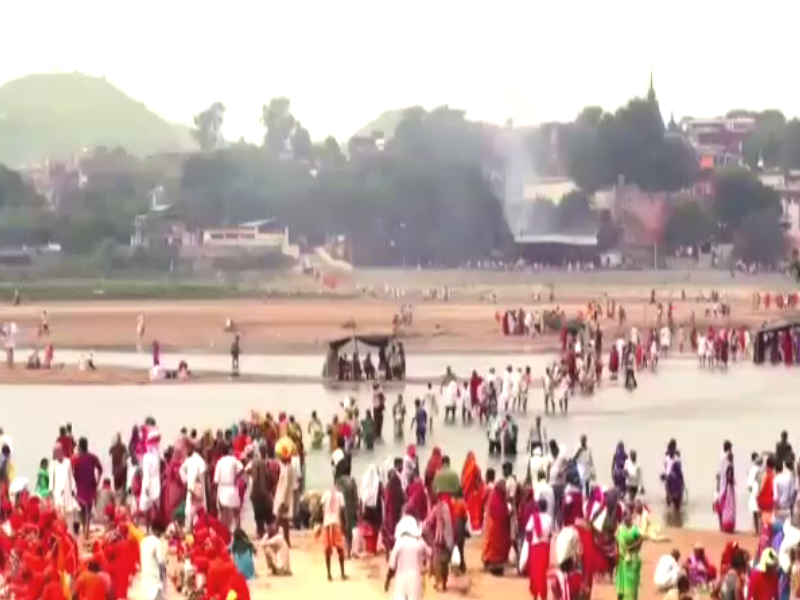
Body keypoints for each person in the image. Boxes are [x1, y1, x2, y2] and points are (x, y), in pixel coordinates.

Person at [385, 515, 431, 600]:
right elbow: (431, 554)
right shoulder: (420, 541)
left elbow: (392, 566)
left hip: (401, 580)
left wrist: (387, 580)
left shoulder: (399, 543)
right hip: (416, 580)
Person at [521, 498, 552, 600]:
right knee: (542, 573)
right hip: (545, 547)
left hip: (535, 547)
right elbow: (550, 534)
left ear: (538, 507)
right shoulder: (549, 518)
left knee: (534, 572)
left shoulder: (534, 517)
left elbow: (528, 530)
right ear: (546, 507)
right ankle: (543, 596)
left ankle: (535, 595)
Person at [73, 437, 103, 538]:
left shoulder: (77, 460)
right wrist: (98, 481)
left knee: (82, 509)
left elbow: (74, 475)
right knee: (88, 509)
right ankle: (86, 530)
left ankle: (84, 528)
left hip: (81, 486)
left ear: (80, 447)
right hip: (90, 485)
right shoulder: (93, 457)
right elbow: (100, 469)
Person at [320, 474, 347, 581]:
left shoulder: (326, 494)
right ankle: (342, 574)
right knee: (340, 549)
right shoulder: (340, 495)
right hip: (336, 523)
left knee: (327, 550)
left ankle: (329, 574)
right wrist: (344, 525)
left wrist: (321, 521)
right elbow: (342, 511)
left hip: (327, 524)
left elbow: (320, 508)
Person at [482, 479, 511, 575]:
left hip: (496, 529)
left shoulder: (497, 498)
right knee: (497, 549)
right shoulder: (498, 499)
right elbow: (502, 514)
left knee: (494, 548)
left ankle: (494, 566)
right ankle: (495, 567)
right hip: (498, 529)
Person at [214, 444, 244, 530]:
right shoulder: (233, 460)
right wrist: (236, 476)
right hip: (231, 487)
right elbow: (242, 469)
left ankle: (224, 532)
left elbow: (216, 481)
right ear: (230, 450)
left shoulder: (219, 462)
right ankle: (239, 531)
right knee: (236, 513)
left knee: (223, 513)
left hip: (222, 488)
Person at [615, 508, 643, 600]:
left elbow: (641, 540)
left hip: (633, 561)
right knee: (621, 587)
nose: (629, 517)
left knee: (633, 587)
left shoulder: (635, 529)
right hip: (623, 561)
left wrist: (631, 547)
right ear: (623, 517)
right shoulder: (620, 530)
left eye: (630, 515)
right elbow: (617, 544)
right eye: (627, 516)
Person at [180, 443, 207, 533]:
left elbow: (181, 470)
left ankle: (190, 530)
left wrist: (186, 480)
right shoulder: (199, 461)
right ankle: (196, 530)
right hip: (197, 489)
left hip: (193, 489)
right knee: (197, 511)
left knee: (190, 511)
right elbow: (202, 477)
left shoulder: (192, 460)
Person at [137, 518, 167, 600]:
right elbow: (161, 563)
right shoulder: (157, 542)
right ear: (159, 531)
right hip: (155, 583)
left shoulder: (143, 541)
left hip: (145, 581)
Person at [49, 443, 76, 522]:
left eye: (59, 451)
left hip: (67, 491)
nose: (57, 453)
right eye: (56, 452)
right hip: (57, 492)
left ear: (62, 451)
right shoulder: (53, 464)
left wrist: (73, 488)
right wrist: (50, 490)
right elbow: (51, 478)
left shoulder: (68, 462)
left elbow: (71, 476)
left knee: (68, 513)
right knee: (59, 513)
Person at [261, 507, 292, 575]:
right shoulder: (276, 532)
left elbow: (263, 544)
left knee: (267, 549)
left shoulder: (279, 536)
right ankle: (275, 568)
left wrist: (266, 535)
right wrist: (267, 534)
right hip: (283, 566)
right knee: (267, 547)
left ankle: (278, 568)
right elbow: (262, 543)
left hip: (283, 568)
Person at [715, 440, 736, 533]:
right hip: (727, 484)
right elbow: (729, 473)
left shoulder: (721, 457)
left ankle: (721, 525)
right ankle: (728, 525)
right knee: (729, 505)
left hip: (722, 483)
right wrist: (732, 481)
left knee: (721, 504)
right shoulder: (729, 458)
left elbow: (721, 472)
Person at [748, 452, 763, 534]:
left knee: (755, 511)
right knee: (760, 511)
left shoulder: (753, 469)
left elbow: (749, 484)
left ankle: (757, 530)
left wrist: (751, 489)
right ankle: (761, 529)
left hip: (755, 490)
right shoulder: (762, 469)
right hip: (760, 490)